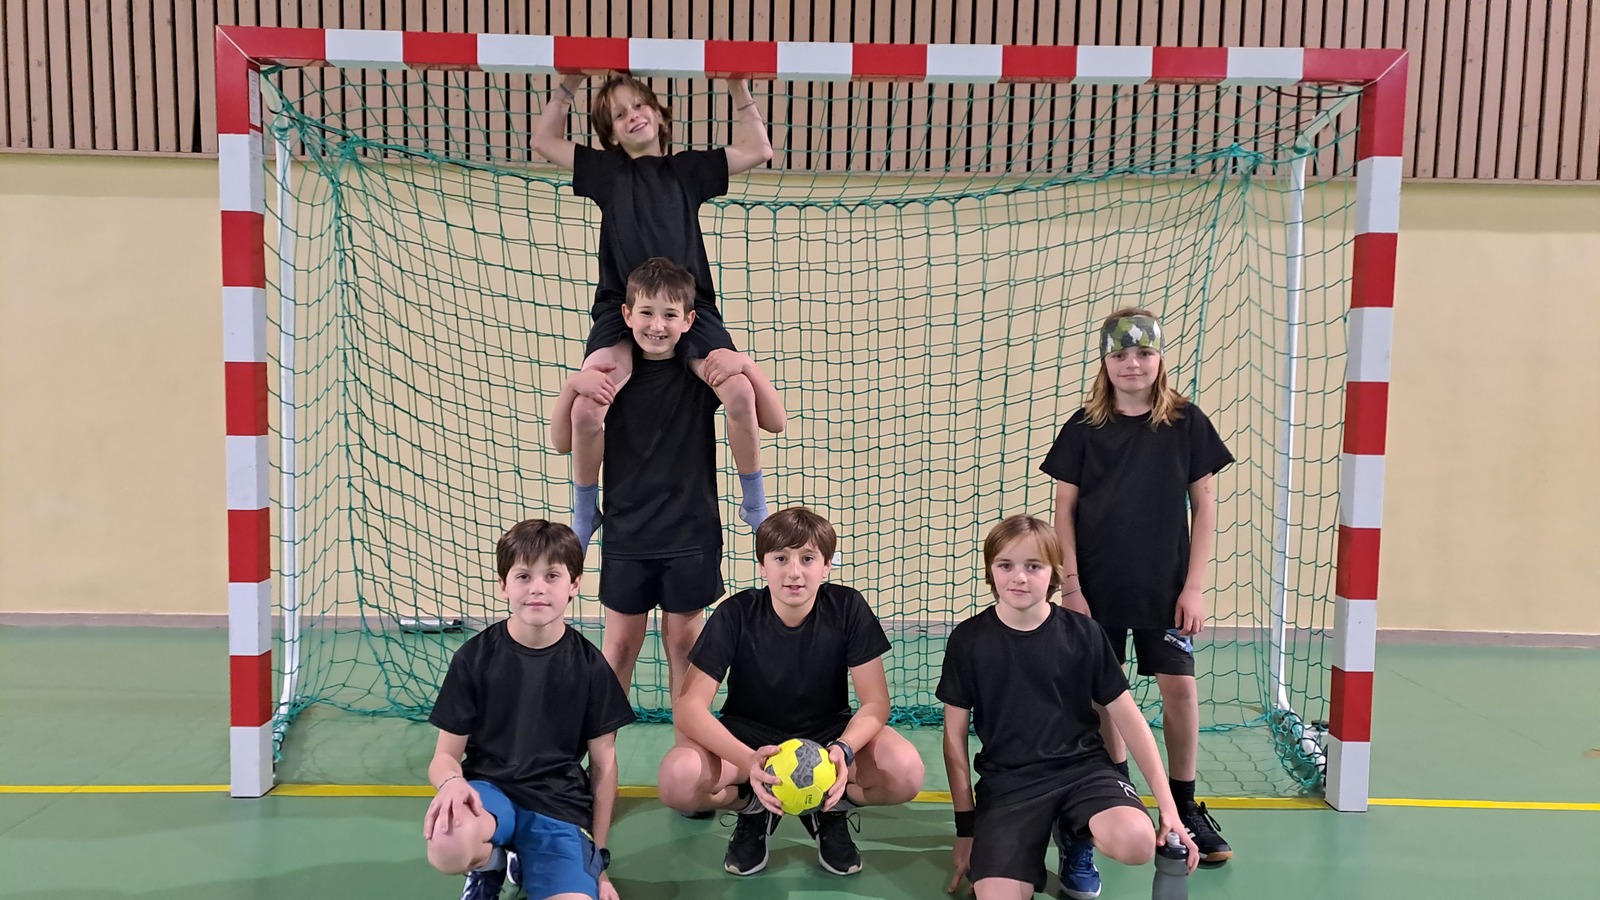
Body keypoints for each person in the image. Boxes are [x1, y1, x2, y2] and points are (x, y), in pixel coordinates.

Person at [532, 72, 779, 550]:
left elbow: (758, 149)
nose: (632, 117)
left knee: (739, 392)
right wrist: (569, 83)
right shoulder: (608, 172)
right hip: (621, 309)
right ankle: (585, 510)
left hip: (689, 307)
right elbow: (543, 141)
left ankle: (755, 505)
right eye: (619, 115)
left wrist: (736, 86)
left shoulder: (686, 171)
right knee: (587, 406)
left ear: (660, 115)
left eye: (639, 106)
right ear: (611, 133)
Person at [1039, 307, 1237, 887]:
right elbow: (1063, 511)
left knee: (1179, 688)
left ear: (1160, 358)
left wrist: (1194, 586)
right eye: (1121, 354)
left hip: (1165, 590)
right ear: (1105, 361)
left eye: (1144, 353)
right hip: (1097, 590)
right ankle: (1120, 791)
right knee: (1106, 697)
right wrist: (1071, 586)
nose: (1133, 364)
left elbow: (1205, 506)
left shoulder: (1186, 423)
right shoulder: (1083, 427)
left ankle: (1185, 802)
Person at [550, 257, 786, 705]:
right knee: (620, 646)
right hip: (627, 531)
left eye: (670, 315)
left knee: (684, 645)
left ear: (689, 321)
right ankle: (600, 745)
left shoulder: (701, 375)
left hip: (691, 532)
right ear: (626, 315)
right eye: (646, 312)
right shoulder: (611, 380)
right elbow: (563, 442)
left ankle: (688, 747)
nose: (657, 326)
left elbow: (775, 421)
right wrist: (572, 386)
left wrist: (746, 365)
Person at [939, 515, 1200, 899]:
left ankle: (1074, 832)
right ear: (990, 570)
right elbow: (954, 739)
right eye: (1005, 565)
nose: (1019, 577)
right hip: (1009, 784)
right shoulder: (969, 640)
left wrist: (1169, 809)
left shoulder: (1084, 633)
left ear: (1054, 573)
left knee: (1137, 843)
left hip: (1083, 772)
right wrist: (966, 829)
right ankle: (1022, 848)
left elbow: (1130, 721)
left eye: (1034, 566)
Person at [656, 507, 926, 878]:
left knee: (905, 771)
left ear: (827, 566)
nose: (794, 572)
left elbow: (876, 702)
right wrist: (749, 760)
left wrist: (844, 750)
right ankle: (754, 808)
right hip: (749, 739)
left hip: (828, 736)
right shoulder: (737, 613)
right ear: (763, 567)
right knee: (677, 779)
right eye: (781, 558)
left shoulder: (847, 607)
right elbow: (689, 708)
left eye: (808, 558)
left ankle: (829, 807)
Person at [422, 519, 636, 900]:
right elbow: (444, 757)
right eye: (523, 576)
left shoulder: (590, 667)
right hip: (488, 793)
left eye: (552, 575)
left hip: (558, 805)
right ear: (504, 585)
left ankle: (526, 859)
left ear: (574, 585)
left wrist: (598, 860)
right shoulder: (474, 658)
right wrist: (452, 783)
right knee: (446, 844)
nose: (537, 587)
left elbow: (604, 766)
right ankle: (489, 864)